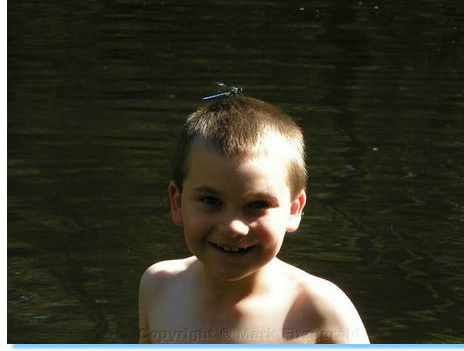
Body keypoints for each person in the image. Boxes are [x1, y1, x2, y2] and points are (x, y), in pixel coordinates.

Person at [138, 93, 370, 344]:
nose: (233, 227)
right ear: (177, 202)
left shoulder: (321, 311)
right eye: (210, 201)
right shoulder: (158, 287)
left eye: (258, 205)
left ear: (294, 210)